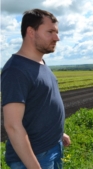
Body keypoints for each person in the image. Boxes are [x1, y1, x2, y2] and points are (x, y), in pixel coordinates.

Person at [1, 9, 71, 169]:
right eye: (50, 32)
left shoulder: (40, 64)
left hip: (52, 147)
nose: (57, 38)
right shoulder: (16, 70)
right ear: (31, 32)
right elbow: (12, 126)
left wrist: (58, 134)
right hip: (33, 157)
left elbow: (40, 105)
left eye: (57, 32)